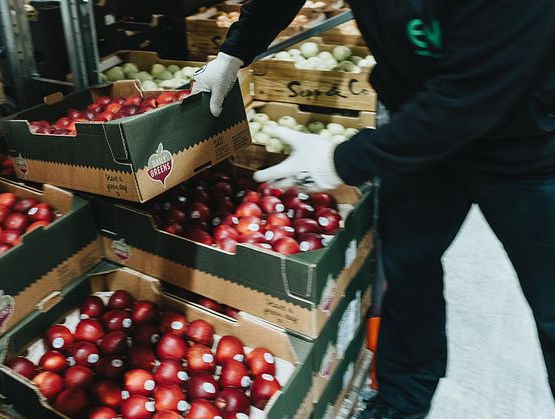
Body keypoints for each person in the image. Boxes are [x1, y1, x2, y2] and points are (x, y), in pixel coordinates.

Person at [191, 0, 555, 417]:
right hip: (417, 125)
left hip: (526, 144)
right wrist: (234, 51)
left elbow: (473, 97)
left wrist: (343, 162)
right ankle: (402, 402)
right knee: (407, 266)